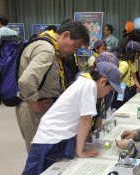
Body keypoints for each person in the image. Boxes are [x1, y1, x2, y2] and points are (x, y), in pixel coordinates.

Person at [20, 61, 123, 175]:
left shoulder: (84, 83)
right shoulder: (89, 86)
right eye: (109, 90)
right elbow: (85, 120)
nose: (106, 94)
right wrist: (80, 152)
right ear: (103, 82)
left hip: (52, 138)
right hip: (50, 142)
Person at [16, 20, 90, 154]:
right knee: (39, 156)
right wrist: (34, 103)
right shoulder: (47, 50)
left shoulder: (51, 48)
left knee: (47, 153)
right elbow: (26, 81)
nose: (75, 51)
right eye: (76, 46)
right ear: (66, 35)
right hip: (33, 110)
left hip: (41, 107)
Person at [111, 41, 140, 109]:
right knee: (121, 109)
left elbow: (134, 77)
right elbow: (115, 79)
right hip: (123, 90)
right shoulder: (124, 64)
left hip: (131, 89)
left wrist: (138, 86)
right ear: (136, 54)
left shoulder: (133, 63)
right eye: (138, 54)